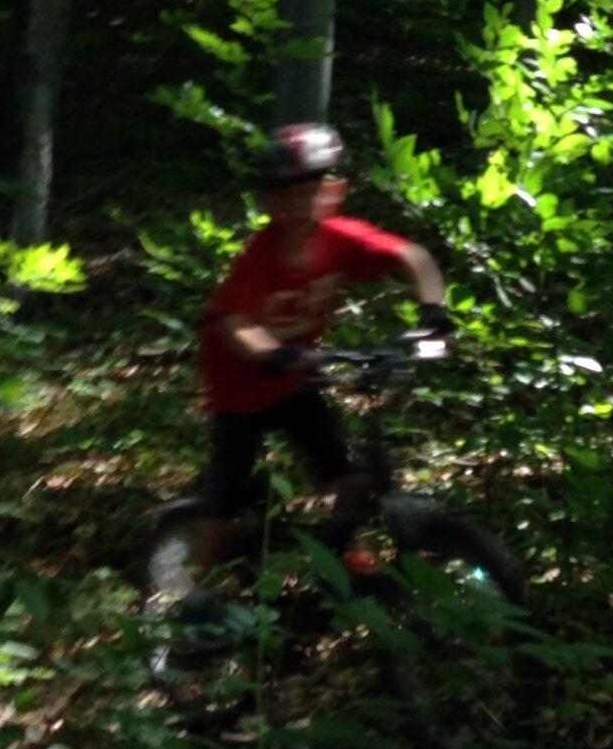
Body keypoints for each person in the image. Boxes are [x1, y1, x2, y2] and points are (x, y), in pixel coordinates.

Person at [187, 121, 450, 581]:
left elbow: (413, 258)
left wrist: (433, 312)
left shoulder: (343, 236)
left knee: (348, 475)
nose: (302, 206)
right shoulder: (262, 254)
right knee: (227, 494)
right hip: (239, 389)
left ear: (335, 190)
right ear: (271, 201)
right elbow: (233, 323)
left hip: (295, 382)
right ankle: (194, 599)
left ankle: (345, 558)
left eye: (313, 191)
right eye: (288, 195)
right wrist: (272, 353)